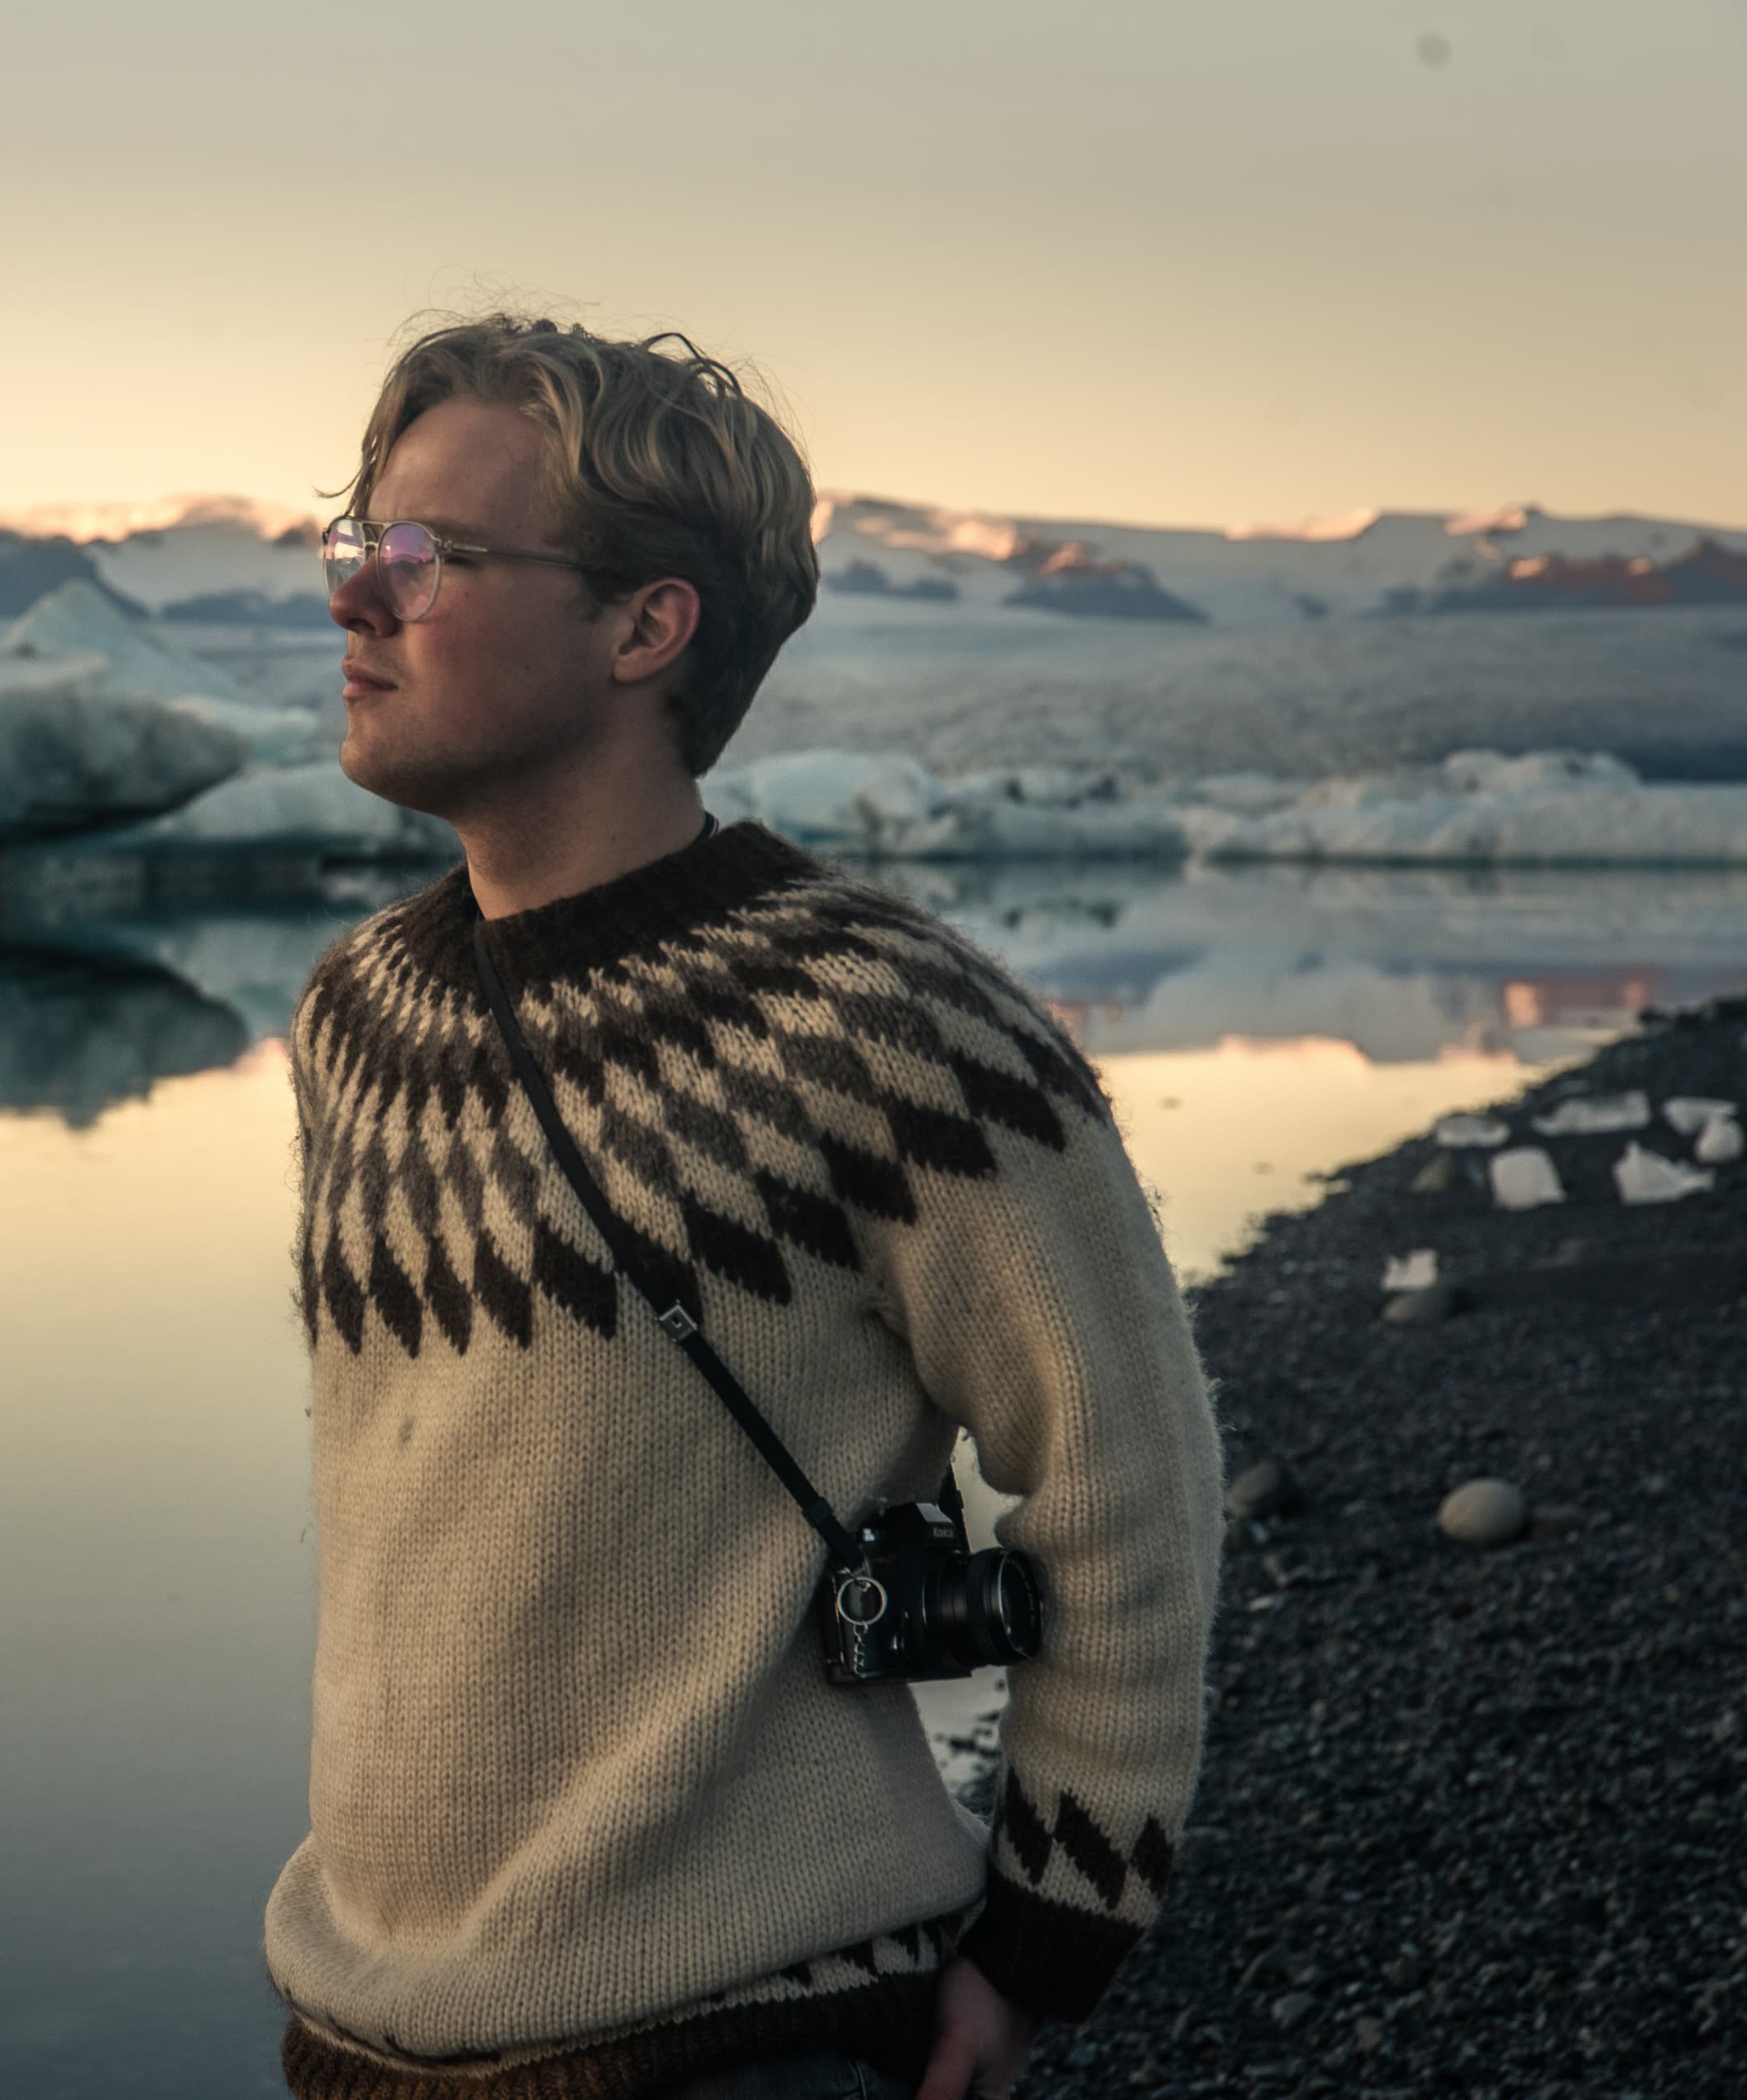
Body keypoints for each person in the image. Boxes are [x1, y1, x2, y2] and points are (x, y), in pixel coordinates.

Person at [264, 315, 1225, 2100]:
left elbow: (1131, 1490)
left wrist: (1042, 1946)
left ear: (646, 626)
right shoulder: (356, 1020)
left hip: (742, 2035)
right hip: (360, 2029)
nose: (354, 601)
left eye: (427, 556)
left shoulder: (894, 1032)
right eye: (354, 542)